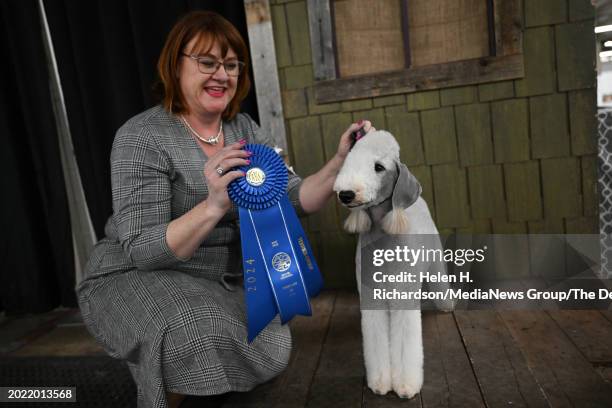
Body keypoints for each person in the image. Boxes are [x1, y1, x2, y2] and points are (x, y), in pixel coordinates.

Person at [76, 10, 372, 408]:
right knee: (195, 329)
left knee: (271, 340)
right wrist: (214, 204)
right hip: (137, 273)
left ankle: (179, 369)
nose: (222, 74)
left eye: (231, 65)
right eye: (207, 62)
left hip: (221, 278)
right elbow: (144, 250)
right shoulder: (141, 136)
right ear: (174, 66)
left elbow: (296, 198)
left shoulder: (245, 130)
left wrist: (340, 161)